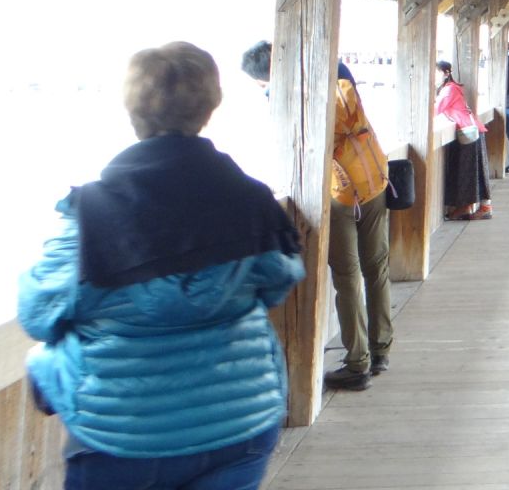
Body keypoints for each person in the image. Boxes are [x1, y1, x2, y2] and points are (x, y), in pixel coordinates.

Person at [21, 42, 305, 489]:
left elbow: (39, 314)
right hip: (238, 414)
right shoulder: (249, 200)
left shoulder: (90, 215)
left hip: (122, 430)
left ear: (131, 107)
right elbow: (279, 281)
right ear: (211, 105)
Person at [241, 41, 392, 391]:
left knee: (347, 275)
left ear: (266, 77)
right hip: (371, 179)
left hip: (337, 191)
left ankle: (358, 364)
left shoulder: (285, 96)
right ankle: (381, 349)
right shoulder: (336, 70)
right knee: (376, 267)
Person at [436, 60, 492, 221]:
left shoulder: (449, 90)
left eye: (437, 73)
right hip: (471, 130)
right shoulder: (452, 88)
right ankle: (465, 207)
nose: (434, 77)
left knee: (472, 171)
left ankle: (484, 207)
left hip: (469, 132)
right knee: (468, 171)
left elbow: (435, 109)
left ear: (447, 73)